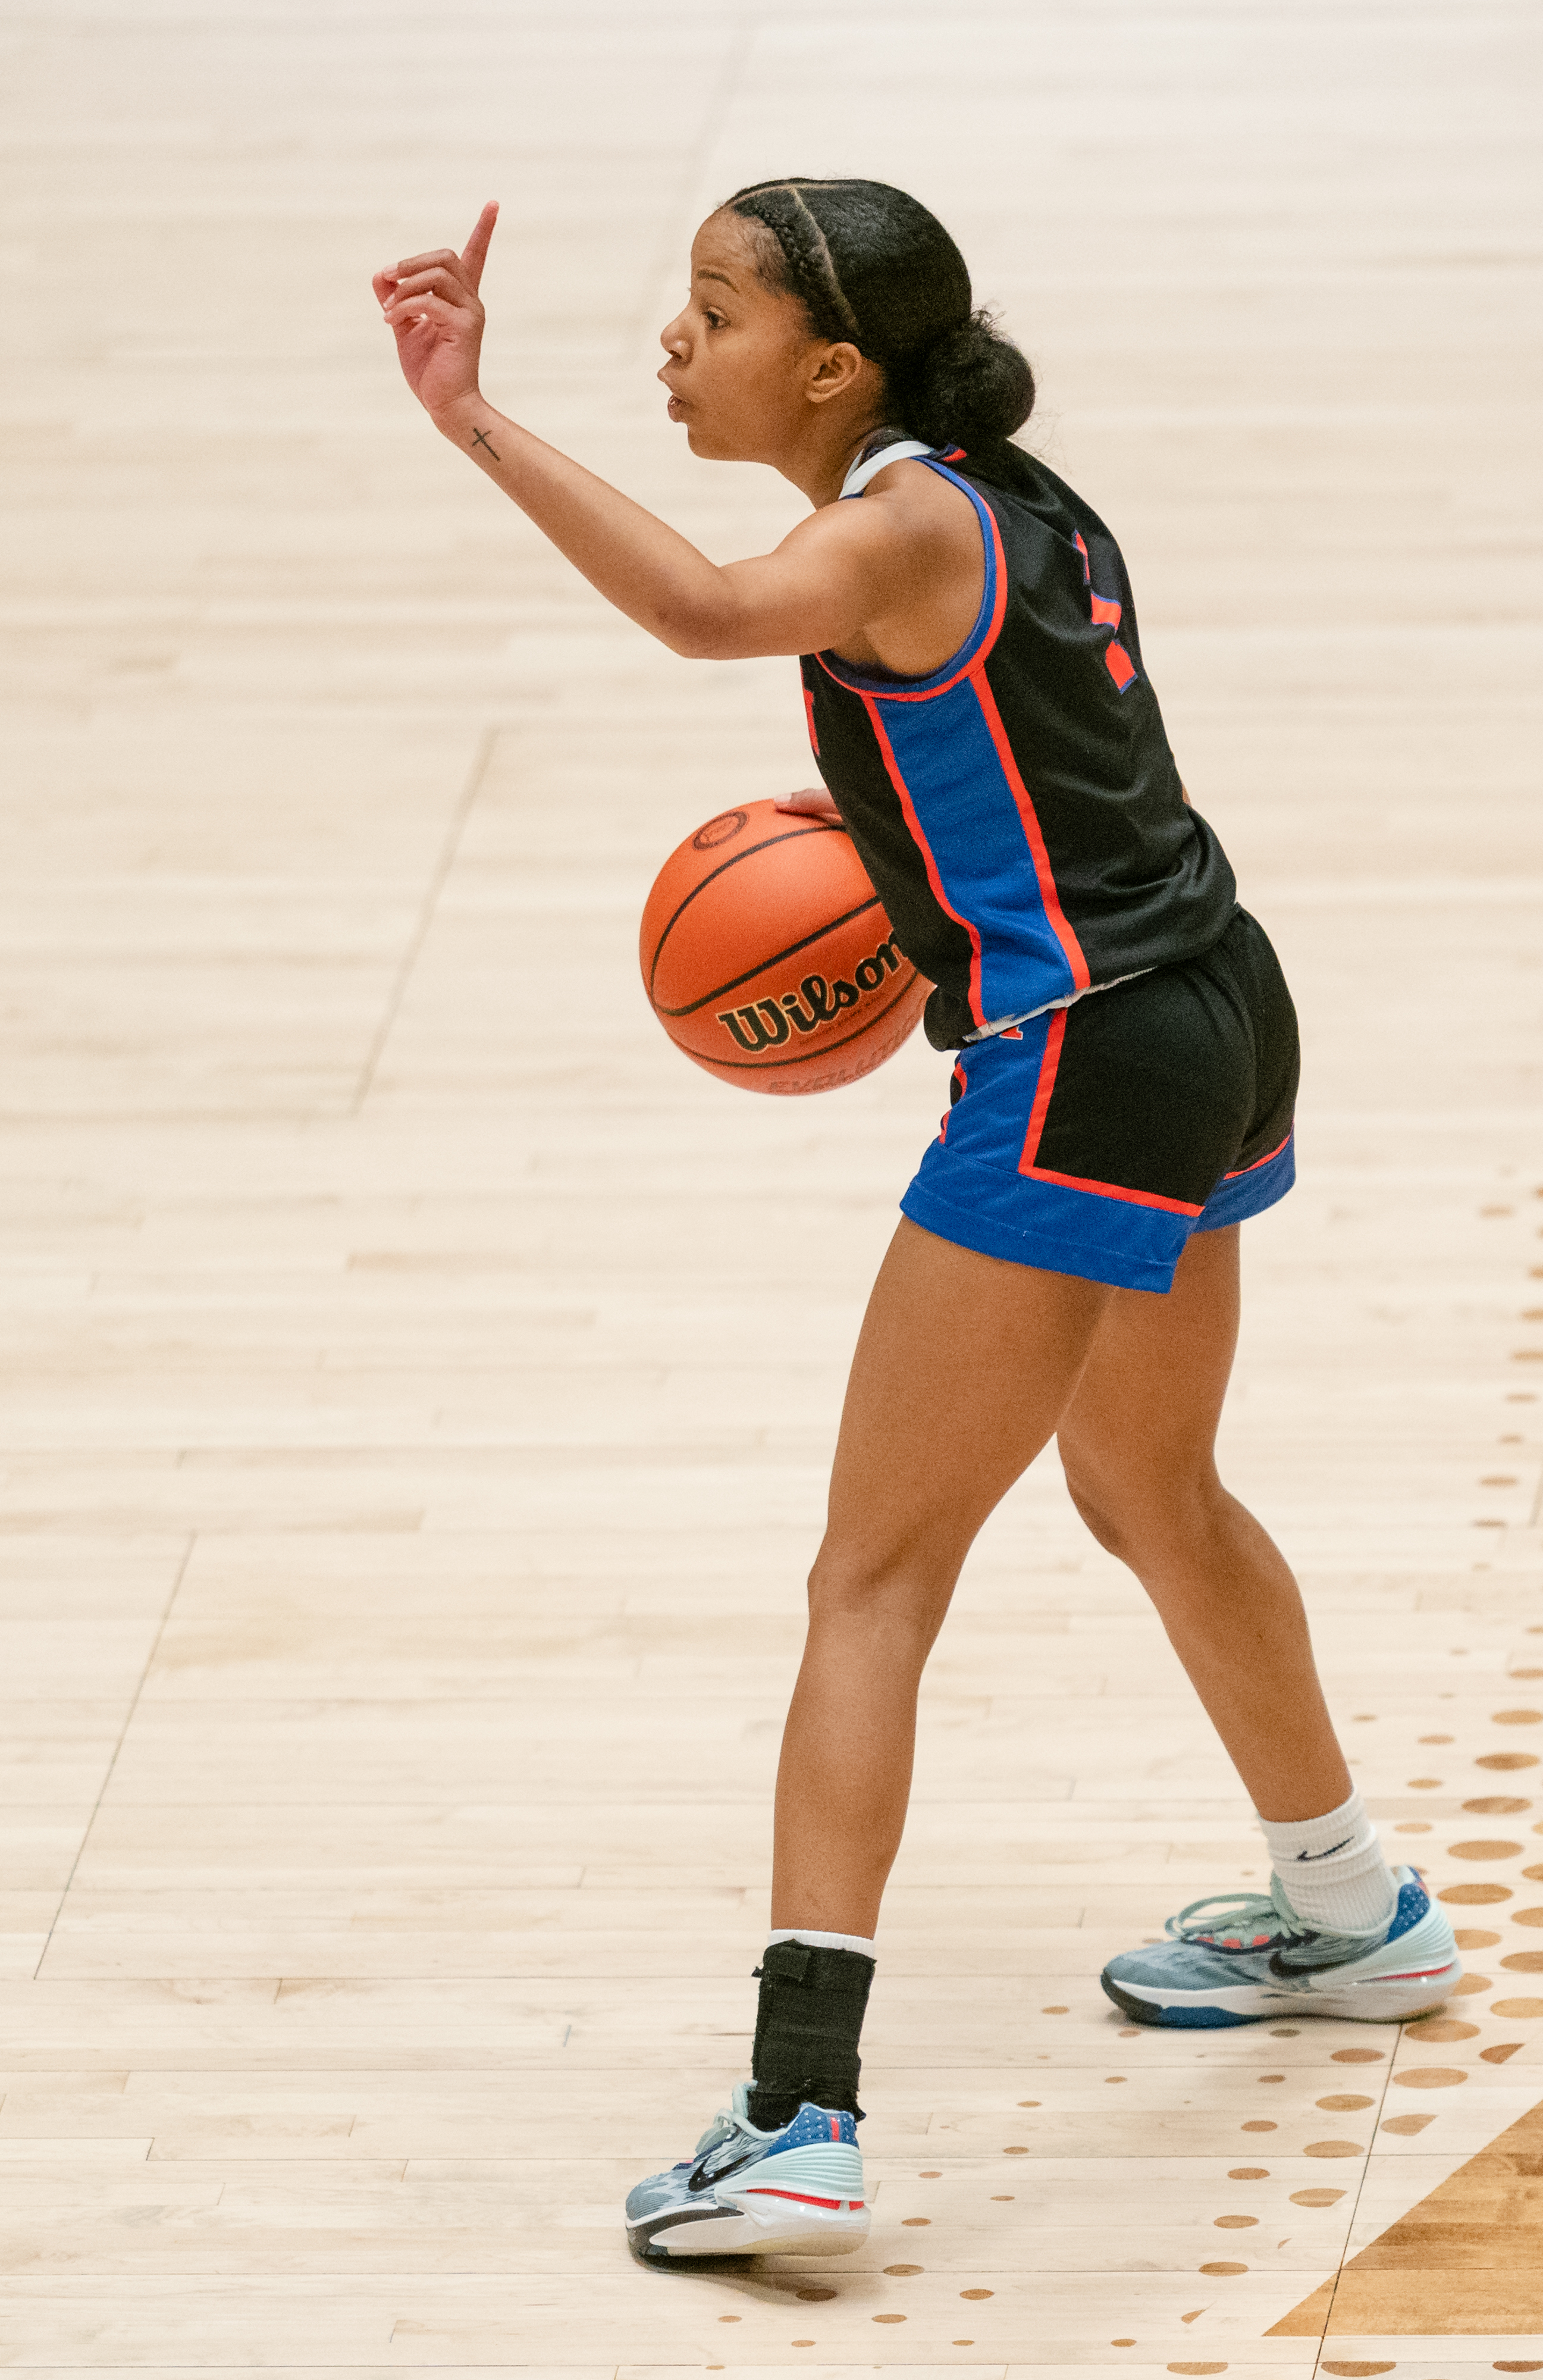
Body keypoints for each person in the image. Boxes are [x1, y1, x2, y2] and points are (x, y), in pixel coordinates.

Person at [374, 177, 1459, 2268]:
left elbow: (703, 611)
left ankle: (796, 2118)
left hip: (1077, 1054)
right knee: (1149, 1480)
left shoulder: (883, 528)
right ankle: (1345, 1910)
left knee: (869, 1575)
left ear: (835, 364)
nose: (676, 342)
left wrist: (471, 421)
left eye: (712, 310)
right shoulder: (1002, 493)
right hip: (1213, 1001)